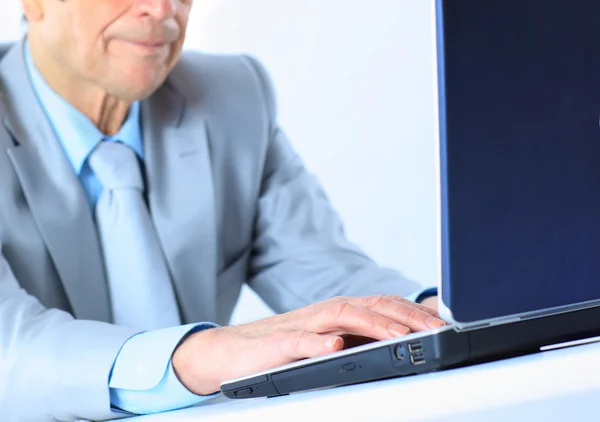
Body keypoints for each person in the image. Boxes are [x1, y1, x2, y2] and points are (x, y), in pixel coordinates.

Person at [0, 0, 442, 420]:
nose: (163, 10)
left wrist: (438, 311)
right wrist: (199, 355)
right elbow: (10, 350)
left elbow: (328, 277)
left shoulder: (233, 98)